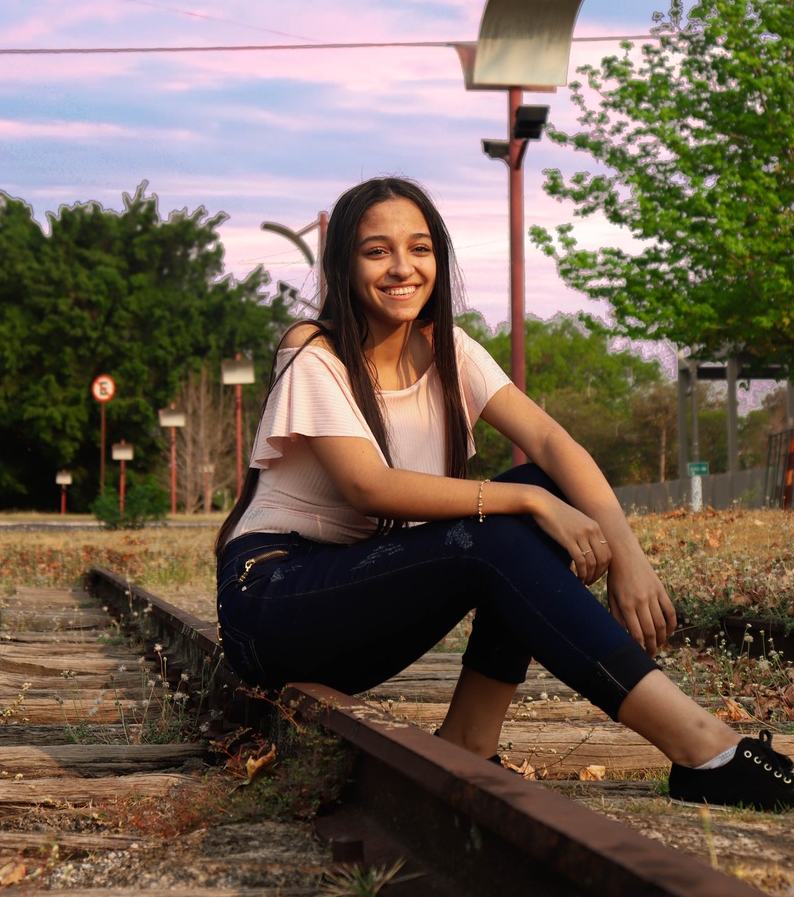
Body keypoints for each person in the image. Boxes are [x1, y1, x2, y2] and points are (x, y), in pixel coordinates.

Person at [216, 176, 793, 810]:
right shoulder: (313, 349)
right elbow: (368, 487)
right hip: (274, 602)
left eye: (419, 248)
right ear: (344, 265)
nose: (402, 267)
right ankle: (703, 747)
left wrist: (626, 555)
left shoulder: (447, 349)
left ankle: (470, 738)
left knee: (539, 485)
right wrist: (530, 503)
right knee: (517, 512)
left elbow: (549, 441)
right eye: (377, 251)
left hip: (362, 596)